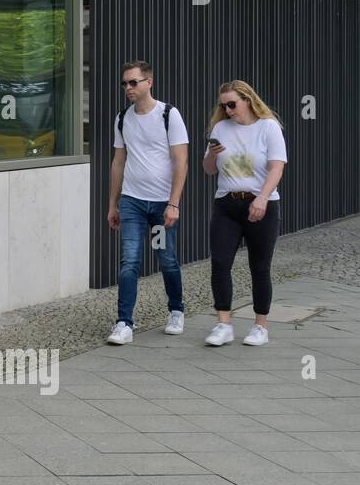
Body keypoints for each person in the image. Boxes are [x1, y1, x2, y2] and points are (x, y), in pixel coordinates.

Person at [106, 60, 189, 344]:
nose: (128, 88)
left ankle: (176, 310)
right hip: (133, 202)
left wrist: (174, 203)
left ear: (148, 83)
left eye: (133, 82)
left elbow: (181, 161)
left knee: (166, 259)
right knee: (129, 261)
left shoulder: (168, 114)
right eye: (125, 83)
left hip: (161, 204)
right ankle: (124, 323)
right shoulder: (122, 118)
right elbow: (118, 162)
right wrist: (112, 204)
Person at [202, 80, 287, 347]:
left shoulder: (268, 127)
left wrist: (262, 198)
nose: (227, 110)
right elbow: (208, 170)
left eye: (232, 104)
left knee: (259, 267)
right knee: (220, 263)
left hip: (262, 204)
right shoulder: (220, 128)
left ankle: (260, 326)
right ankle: (223, 323)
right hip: (227, 204)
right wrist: (212, 155)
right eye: (223, 105)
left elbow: (276, 167)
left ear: (247, 100)